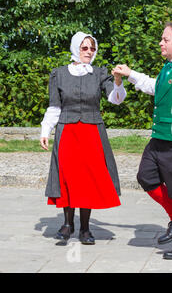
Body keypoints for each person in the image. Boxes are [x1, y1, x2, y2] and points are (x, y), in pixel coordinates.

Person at [112, 21, 172, 259]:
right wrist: (130, 74)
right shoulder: (168, 68)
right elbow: (156, 87)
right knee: (146, 177)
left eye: (165, 39)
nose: (161, 43)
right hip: (159, 139)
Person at [40, 31, 126, 244]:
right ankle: (68, 224)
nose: (89, 52)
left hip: (91, 133)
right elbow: (54, 105)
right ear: (76, 47)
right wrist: (45, 130)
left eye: (92, 48)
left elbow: (115, 99)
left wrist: (117, 81)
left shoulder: (99, 73)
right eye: (84, 47)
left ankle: (85, 228)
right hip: (67, 131)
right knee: (68, 177)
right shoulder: (58, 73)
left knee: (88, 179)